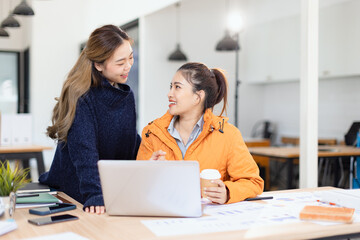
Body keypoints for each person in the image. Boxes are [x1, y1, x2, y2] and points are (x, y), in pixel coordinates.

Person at [39, 25, 141, 214]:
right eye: (120, 63)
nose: (128, 66)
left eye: (131, 57)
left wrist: (145, 156)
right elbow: (84, 152)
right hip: (77, 190)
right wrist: (94, 194)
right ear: (99, 64)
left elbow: (129, 139)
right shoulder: (82, 97)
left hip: (110, 189)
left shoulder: (126, 96)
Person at [137, 62, 263, 204]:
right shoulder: (151, 133)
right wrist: (150, 172)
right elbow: (138, 187)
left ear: (198, 96)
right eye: (170, 87)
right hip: (163, 217)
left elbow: (253, 182)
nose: (169, 94)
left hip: (209, 221)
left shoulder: (228, 135)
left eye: (177, 87)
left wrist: (227, 192)